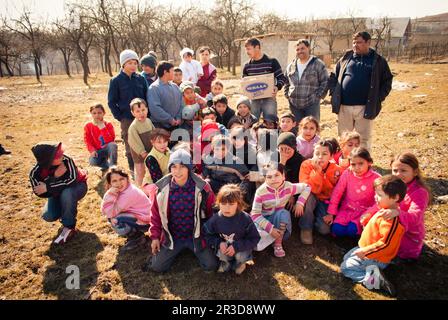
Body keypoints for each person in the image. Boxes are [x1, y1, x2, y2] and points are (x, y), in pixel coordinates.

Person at [147, 149, 218, 273]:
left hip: (196, 235)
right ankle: (176, 249)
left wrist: (211, 237)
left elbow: (211, 212)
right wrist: (155, 237)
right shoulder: (161, 189)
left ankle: (195, 248)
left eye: (182, 167)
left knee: (211, 265)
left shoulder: (203, 188)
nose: (177, 171)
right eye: (174, 167)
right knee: (157, 267)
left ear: (189, 168)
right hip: (173, 236)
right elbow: (155, 214)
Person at [340, 175, 407, 296]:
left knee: (346, 268)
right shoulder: (385, 209)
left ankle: (374, 279)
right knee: (346, 258)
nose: (376, 197)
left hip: (376, 256)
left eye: (380, 195)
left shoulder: (391, 220)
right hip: (367, 249)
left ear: (395, 197)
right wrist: (367, 222)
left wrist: (366, 252)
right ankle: (371, 269)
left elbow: (385, 244)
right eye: (376, 194)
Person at [330, 31, 393, 151]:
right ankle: (345, 162)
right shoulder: (345, 58)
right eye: (354, 42)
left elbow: (387, 81)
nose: (355, 45)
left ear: (368, 42)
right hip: (344, 107)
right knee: (344, 137)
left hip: (365, 107)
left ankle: (363, 162)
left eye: (359, 42)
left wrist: (378, 98)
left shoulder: (378, 61)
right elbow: (333, 76)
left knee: (363, 138)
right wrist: (334, 93)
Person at [29, 142, 88, 244]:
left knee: (67, 192)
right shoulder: (35, 173)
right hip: (56, 194)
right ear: (48, 160)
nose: (62, 155)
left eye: (60, 152)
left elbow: (72, 182)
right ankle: (66, 209)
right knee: (48, 216)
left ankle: (69, 226)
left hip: (79, 186)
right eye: (57, 155)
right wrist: (54, 178)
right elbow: (40, 193)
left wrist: (48, 187)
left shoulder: (67, 160)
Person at [251, 162, 311, 257]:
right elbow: (255, 214)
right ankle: (268, 238)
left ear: (283, 176)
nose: (273, 179)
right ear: (265, 178)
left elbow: (307, 186)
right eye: (269, 177)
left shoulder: (289, 187)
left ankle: (277, 243)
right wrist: (270, 229)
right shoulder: (260, 192)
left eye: (277, 175)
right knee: (256, 238)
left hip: (279, 220)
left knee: (284, 213)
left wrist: (300, 203)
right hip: (264, 220)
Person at [203, 184, 260, 274]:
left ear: (238, 204)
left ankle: (240, 264)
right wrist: (219, 243)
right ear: (218, 203)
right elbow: (206, 234)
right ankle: (226, 263)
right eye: (223, 203)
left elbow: (255, 238)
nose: (227, 208)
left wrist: (237, 246)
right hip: (224, 248)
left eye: (231, 204)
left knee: (240, 256)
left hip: (241, 248)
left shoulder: (245, 219)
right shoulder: (215, 219)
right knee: (222, 254)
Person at [385, 153, 431, 261]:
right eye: (395, 170)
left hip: (410, 234)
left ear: (415, 172)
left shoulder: (420, 192)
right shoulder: (393, 185)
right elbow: (381, 202)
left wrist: (397, 212)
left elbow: (416, 216)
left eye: (403, 171)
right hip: (394, 226)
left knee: (402, 253)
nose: (398, 174)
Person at [108, 49, 147, 172]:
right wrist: (120, 117)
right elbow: (111, 101)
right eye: (129, 63)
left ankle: (146, 169)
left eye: (135, 63)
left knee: (144, 142)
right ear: (123, 64)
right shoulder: (116, 81)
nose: (133, 66)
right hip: (127, 118)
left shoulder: (140, 78)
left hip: (143, 117)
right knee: (130, 145)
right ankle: (132, 169)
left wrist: (146, 113)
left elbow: (146, 96)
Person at [327, 147, 381, 237]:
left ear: (369, 162)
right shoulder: (347, 174)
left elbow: (381, 200)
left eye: (361, 164)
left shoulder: (376, 178)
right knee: (337, 229)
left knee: (352, 230)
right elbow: (337, 192)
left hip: (366, 211)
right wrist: (331, 213)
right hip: (347, 209)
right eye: (353, 164)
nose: (357, 168)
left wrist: (369, 213)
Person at [298, 139, 342, 244]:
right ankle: (306, 227)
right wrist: (318, 172)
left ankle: (317, 221)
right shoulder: (306, 165)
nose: (320, 157)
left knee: (324, 230)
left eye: (324, 154)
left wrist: (332, 212)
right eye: (317, 153)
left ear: (331, 157)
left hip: (326, 200)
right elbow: (307, 187)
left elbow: (339, 193)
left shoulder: (337, 170)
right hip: (311, 195)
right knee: (307, 197)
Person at [101, 167, 151, 251]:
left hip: (148, 221)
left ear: (127, 179)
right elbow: (105, 211)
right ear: (109, 184)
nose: (119, 183)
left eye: (121, 179)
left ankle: (137, 238)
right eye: (114, 181)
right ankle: (133, 234)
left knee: (117, 220)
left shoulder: (129, 193)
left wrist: (109, 194)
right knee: (112, 218)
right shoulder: (121, 190)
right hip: (140, 216)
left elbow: (108, 212)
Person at [284, 39, 329, 123]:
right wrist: (287, 95)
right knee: (296, 129)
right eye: (297, 49)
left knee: (312, 128)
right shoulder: (291, 66)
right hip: (294, 105)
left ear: (308, 48)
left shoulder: (318, 64)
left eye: (302, 48)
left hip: (311, 104)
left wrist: (318, 96)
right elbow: (286, 81)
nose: (300, 51)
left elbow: (325, 81)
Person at [242, 37, 287, 120]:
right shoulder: (247, 66)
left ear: (257, 47)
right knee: (252, 123)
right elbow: (245, 83)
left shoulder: (272, 62)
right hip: (254, 101)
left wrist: (277, 87)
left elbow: (282, 78)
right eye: (246, 49)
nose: (247, 52)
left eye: (249, 49)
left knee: (271, 123)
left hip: (269, 99)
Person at [202, 135, 252, 204]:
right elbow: (205, 176)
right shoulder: (209, 160)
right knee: (206, 183)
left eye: (223, 149)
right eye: (217, 149)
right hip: (217, 188)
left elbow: (246, 180)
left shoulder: (236, 162)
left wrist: (238, 195)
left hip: (233, 190)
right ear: (213, 149)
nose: (220, 152)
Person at [147, 61, 184, 131]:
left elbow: (181, 104)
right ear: (165, 72)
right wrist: (170, 119)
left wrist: (178, 118)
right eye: (172, 71)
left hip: (176, 126)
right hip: (160, 128)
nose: (174, 73)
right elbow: (155, 109)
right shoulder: (154, 88)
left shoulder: (175, 86)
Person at [127, 98, 155, 186]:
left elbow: (154, 133)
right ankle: (139, 188)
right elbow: (133, 141)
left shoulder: (149, 121)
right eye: (138, 111)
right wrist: (142, 152)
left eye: (143, 110)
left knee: (150, 170)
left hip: (150, 150)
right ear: (133, 113)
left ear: (147, 109)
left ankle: (148, 186)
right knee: (140, 171)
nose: (141, 113)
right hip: (139, 153)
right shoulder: (133, 126)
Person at [84, 103, 117, 172]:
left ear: (104, 113)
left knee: (113, 145)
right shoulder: (88, 126)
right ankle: (105, 166)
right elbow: (87, 141)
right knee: (92, 162)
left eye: (99, 113)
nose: (97, 115)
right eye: (94, 113)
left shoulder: (108, 125)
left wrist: (103, 128)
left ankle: (113, 167)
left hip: (107, 149)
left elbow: (111, 140)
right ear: (91, 114)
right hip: (97, 152)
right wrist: (92, 150)